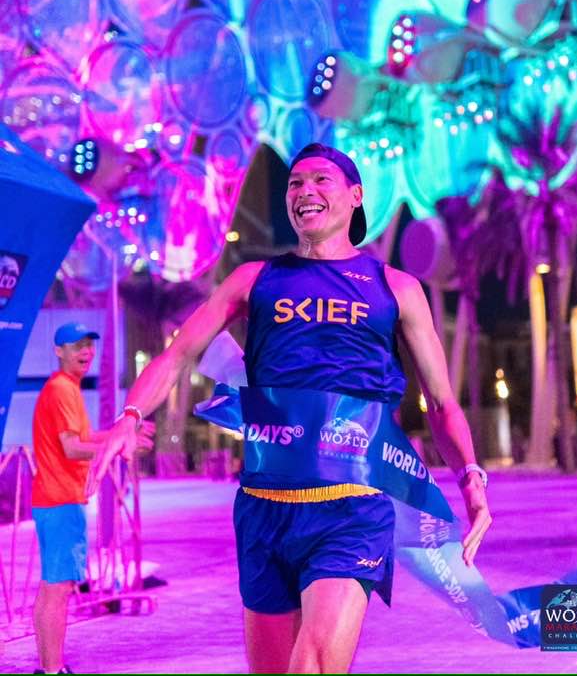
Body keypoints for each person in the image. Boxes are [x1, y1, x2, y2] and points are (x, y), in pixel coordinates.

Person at [89, 143, 491, 674]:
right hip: (263, 507)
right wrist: (130, 417)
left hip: (352, 509)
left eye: (321, 180)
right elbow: (178, 354)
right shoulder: (253, 280)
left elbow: (441, 402)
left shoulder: (395, 288)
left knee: (312, 665)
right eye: (295, 183)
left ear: (355, 195)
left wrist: (470, 477)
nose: (305, 191)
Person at [31, 322, 152, 674]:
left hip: (54, 500)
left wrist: (123, 432)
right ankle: (53, 670)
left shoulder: (65, 388)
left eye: (89, 344)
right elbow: (72, 449)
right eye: (76, 345)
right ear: (59, 351)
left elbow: (81, 438)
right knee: (59, 589)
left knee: (52, 588)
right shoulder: (61, 390)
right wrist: (118, 448)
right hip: (61, 501)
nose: (86, 351)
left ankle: (49, 668)